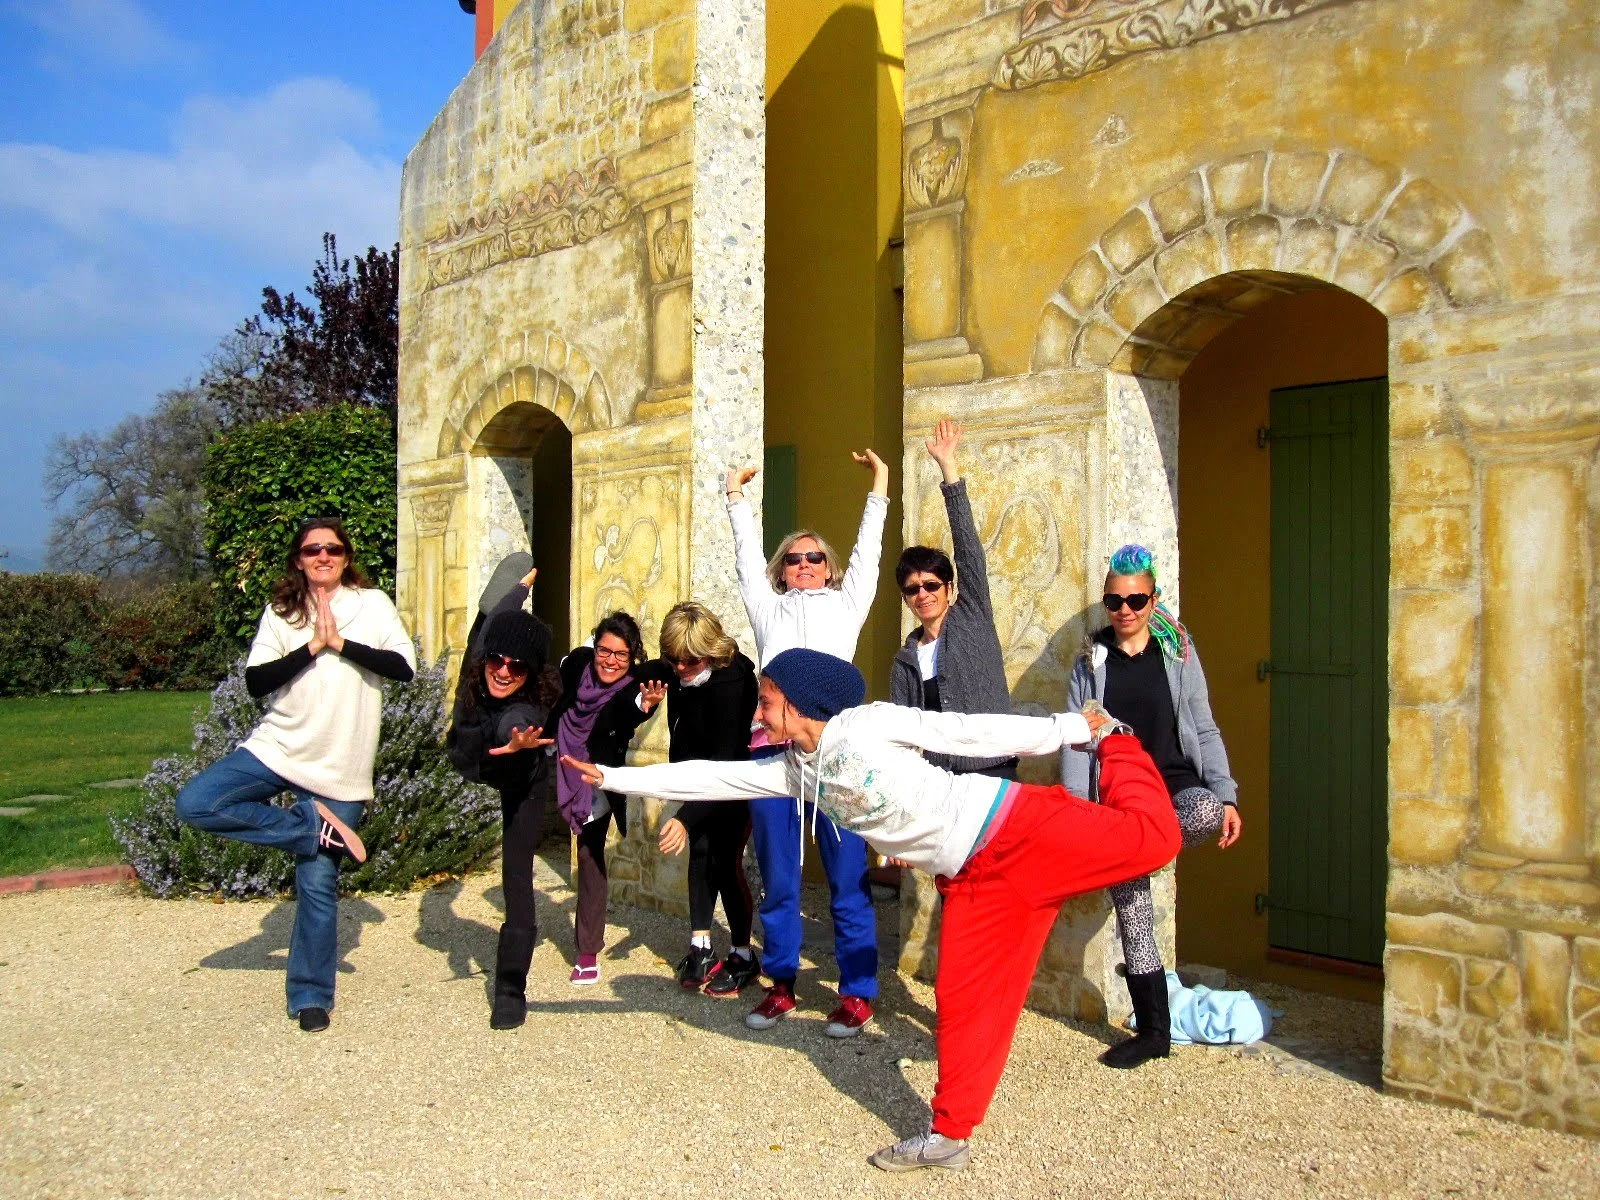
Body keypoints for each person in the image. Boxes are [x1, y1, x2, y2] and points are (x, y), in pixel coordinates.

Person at [561, 648, 1180, 1172]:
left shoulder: (867, 724)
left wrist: (1077, 729)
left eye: (767, 700)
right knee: (965, 1002)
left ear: (799, 703)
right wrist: (612, 779)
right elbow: (714, 778)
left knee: (1157, 840)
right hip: (972, 879)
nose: (758, 711)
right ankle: (948, 1134)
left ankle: (1118, 741)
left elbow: (964, 731)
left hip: (1016, 825)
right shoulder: (793, 771)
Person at [175, 517, 416, 1032]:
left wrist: (341, 644)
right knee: (197, 802)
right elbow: (257, 681)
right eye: (312, 550)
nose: (322, 556)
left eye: (332, 549)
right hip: (278, 746)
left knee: (318, 883)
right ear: (299, 560)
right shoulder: (283, 611)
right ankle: (310, 828)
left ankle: (310, 995)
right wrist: (311, 646)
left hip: (339, 766)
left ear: (347, 556)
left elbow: (403, 667)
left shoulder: (372, 605)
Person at [723, 449, 887, 1037]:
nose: (805, 564)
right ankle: (782, 983)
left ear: (829, 566)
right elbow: (744, 561)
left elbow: (870, 556)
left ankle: (858, 992)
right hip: (771, 749)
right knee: (780, 877)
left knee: (847, 876)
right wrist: (736, 497)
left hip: (835, 748)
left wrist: (880, 486)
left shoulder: (846, 604)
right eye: (794, 559)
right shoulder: (768, 607)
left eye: (815, 557)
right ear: (783, 569)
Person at [1061, 543, 1242, 1069]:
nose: (1125, 611)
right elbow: (1077, 739)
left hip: (1175, 786)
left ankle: (1128, 854)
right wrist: (1079, 810)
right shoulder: (1090, 661)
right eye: (1115, 601)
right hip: (1121, 797)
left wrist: (1226, 793)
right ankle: (1155, 1032)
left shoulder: (1179, 654)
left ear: (1153, 598)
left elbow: (1203, 728)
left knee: (1202, 813)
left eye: (1136, 599)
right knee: (1133, 901)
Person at [444, 557, 563, 1029]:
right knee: (489, 620)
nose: (503, 669)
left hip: (523, 774)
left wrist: (515, 743)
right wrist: (520, 587)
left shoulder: (532, 701)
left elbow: (515, 722)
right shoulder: (478, 665)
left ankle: (511, 986)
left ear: (531, 673)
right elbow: (491, 629)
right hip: (474, 751)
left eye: (516, 666)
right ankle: (515, 586)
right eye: (497, 660)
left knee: (517, 875)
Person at [890, 420, 1015, 778]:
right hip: (938, 783)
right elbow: (905, 736)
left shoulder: (972, 615)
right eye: (913, 590)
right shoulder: (904, 662)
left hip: (993, 771)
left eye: (930, 585)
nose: (923, 595)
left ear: (949, 588)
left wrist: (949, 470)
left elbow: (968, 548)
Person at [649, 601, 761, 996]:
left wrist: (684, 815)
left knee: (724, 862)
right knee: (698, 855)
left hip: (731, 783)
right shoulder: (680, 669)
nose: (680, 670)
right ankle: (700, 947)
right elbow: (652, 669)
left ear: (709, 652)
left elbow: (726, 758)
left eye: (689, 661)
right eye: (673, 660)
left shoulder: (733, 682)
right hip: (695, 780)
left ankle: (744, 954)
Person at [547, 611, 664, 986]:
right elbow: (553, 691)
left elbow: (628, 712)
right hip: (553, 758)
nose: (610, 661)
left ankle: (587, 950)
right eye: (604, 650)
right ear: (593, 647)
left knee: (589, 855)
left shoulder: (632, 689)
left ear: (632, 659)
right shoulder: (577, 664)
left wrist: (644, 707)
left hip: (593, 775)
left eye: (620, 655)